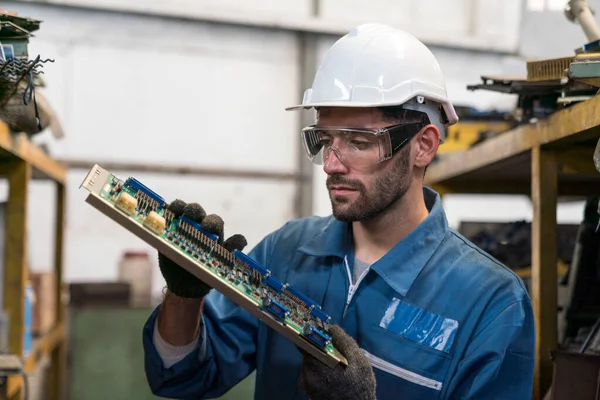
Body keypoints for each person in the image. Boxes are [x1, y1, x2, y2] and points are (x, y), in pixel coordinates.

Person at [142, 23, 535, 400]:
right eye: (324, 140)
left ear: (424, 146)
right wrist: (184, 297)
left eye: (358, 141)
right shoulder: (287, 253)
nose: (331, 164)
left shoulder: (491, 303)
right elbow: (185, 376)